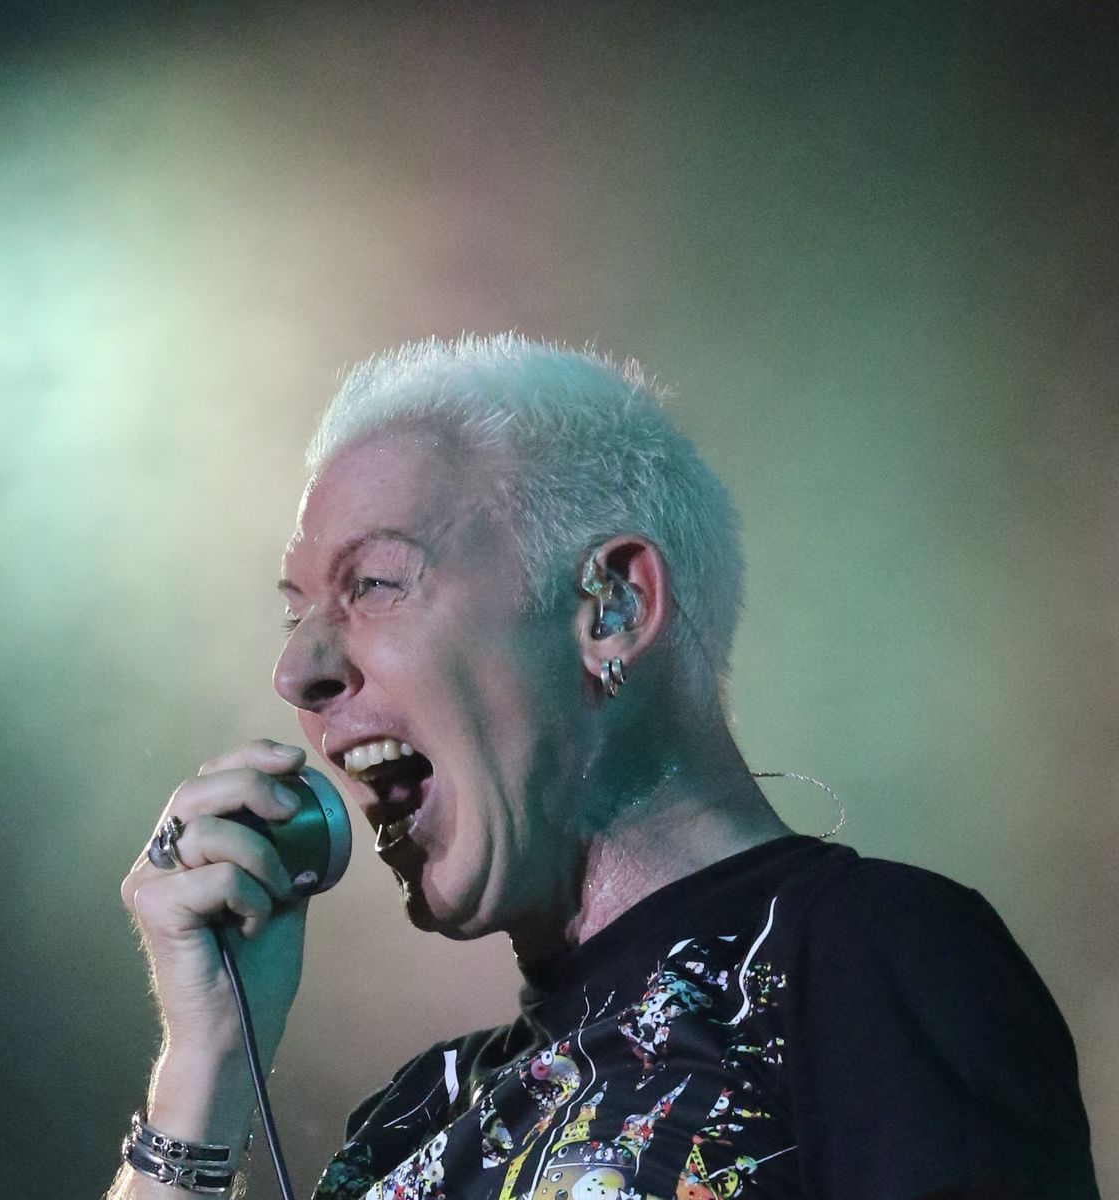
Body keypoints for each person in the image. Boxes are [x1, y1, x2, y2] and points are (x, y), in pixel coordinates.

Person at [109, 335, 1099, 1200]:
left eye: (371, 583)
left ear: (611, 608)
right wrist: (207, 1067)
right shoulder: (414, 1117)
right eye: (294, 616)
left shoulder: (863, 960)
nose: (296, 671)